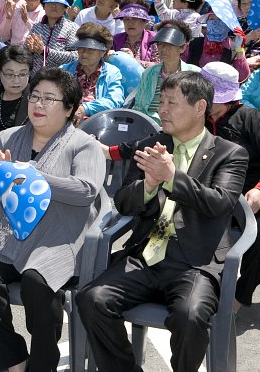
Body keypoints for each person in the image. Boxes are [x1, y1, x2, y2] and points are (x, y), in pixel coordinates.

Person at [77, 71, 249, 372]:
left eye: (172, 102)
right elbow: (123, 202)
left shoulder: (229, 153)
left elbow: (220, 202)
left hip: (195, 262)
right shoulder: (153, 143)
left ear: (199, 108)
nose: (162, 110)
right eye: (162, 101)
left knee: (190, 316)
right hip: (146, 255)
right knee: (92, 299)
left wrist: (172, 177)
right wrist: (148, 185)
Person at [0, 67, 105, 372]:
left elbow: (86, 190)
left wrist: (32, 175)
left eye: (49, 99)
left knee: (36, 282)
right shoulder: (9, 137)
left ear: (69, 109)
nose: (38, 105)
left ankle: (43, 363)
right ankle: (13, 359)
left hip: (59, 237)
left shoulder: (84, 144)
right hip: (11, 235)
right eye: (35, 97)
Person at [199, 62, 260, 311]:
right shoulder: (198, 118)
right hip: (219, 189)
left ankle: (241, 294)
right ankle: (199, 284)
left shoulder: (250, 117)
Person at [132, 21, 199, 124]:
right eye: (160, 44)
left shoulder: (194, 74)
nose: (163, 48)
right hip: (150, 127)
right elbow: (139, 107)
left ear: (183, 47)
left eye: (169, 44)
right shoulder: (148, 73)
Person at [60, 22, 125, 124]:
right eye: (81, 48)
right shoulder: (64, 70)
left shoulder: (112, 73)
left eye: (91, 49)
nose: (85, 53)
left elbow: (114, 100)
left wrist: (84, 108)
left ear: (103, 52)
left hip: (98, 124)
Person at [26, 0, 79, 71]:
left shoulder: (72, 28)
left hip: (59, 78)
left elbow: (75, 57)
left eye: (59, 3)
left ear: (65, 8)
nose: (54, 6)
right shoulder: (36, 27)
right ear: (44, 6)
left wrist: (45, 51)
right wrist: (30, 51)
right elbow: (25, 53)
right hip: (36, 77)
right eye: (50, 2)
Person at [112, 0, 159, 68]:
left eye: (135, 19)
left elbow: (159, 66)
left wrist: (133, 61)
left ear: (144, 21)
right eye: (126, 19)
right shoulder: (116, 39)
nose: (130, 23)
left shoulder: (155, 39)